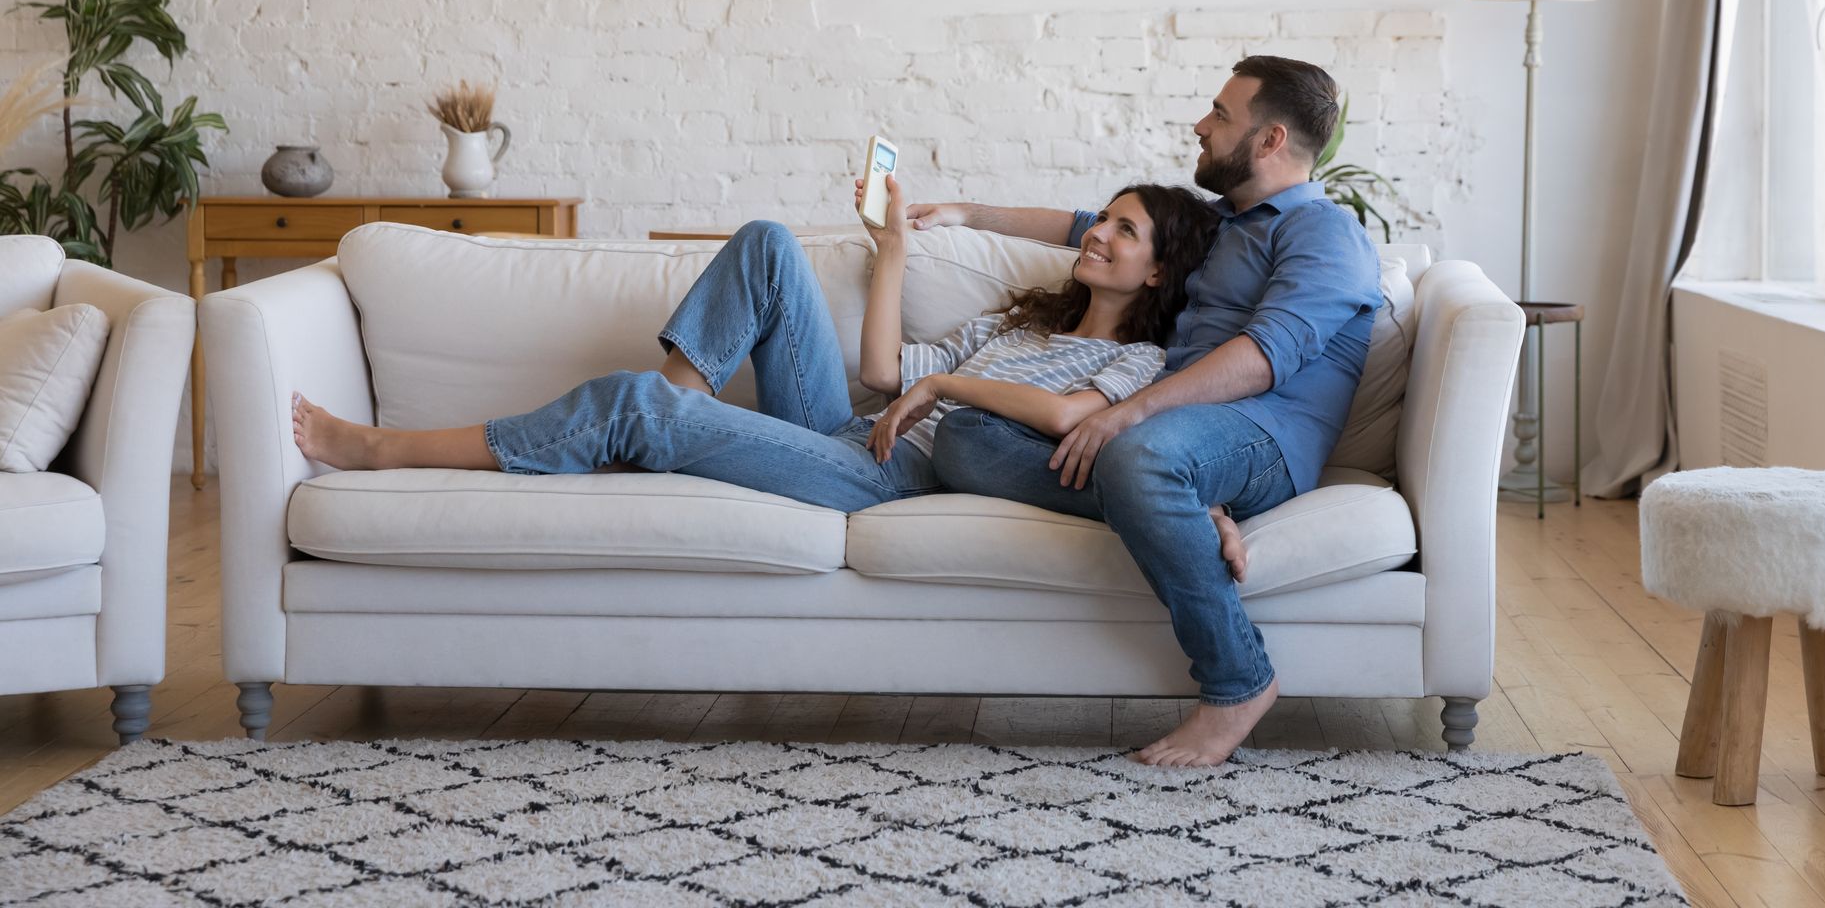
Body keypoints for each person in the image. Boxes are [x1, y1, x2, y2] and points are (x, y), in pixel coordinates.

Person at [910, 56, 1382, 768]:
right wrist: (965, 213)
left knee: (1140, 455)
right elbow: (1082, 228)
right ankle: (1182, 508)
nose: (1200, 123)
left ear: (1269, 139)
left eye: (1221, 114)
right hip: (1179, 433)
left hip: (1264, 432)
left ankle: (1238, 682)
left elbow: (1264, 358)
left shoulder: (1324, 231)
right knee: (967, 435)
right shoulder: (1220, 224)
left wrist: (1128, 415)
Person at [290, 179, 1221, 521]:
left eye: (1124, 232)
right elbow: (881, 377)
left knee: (633, 408)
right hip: (855, 431)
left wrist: (949, 388)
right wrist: (892, 252)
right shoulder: (1023, 323)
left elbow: (1066, 420)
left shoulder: (1138, 366)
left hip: (898, 475)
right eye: (1102, 219)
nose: (1098, 234)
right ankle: (661, 416)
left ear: (1155, 274)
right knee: (769, 243)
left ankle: (380, 447)